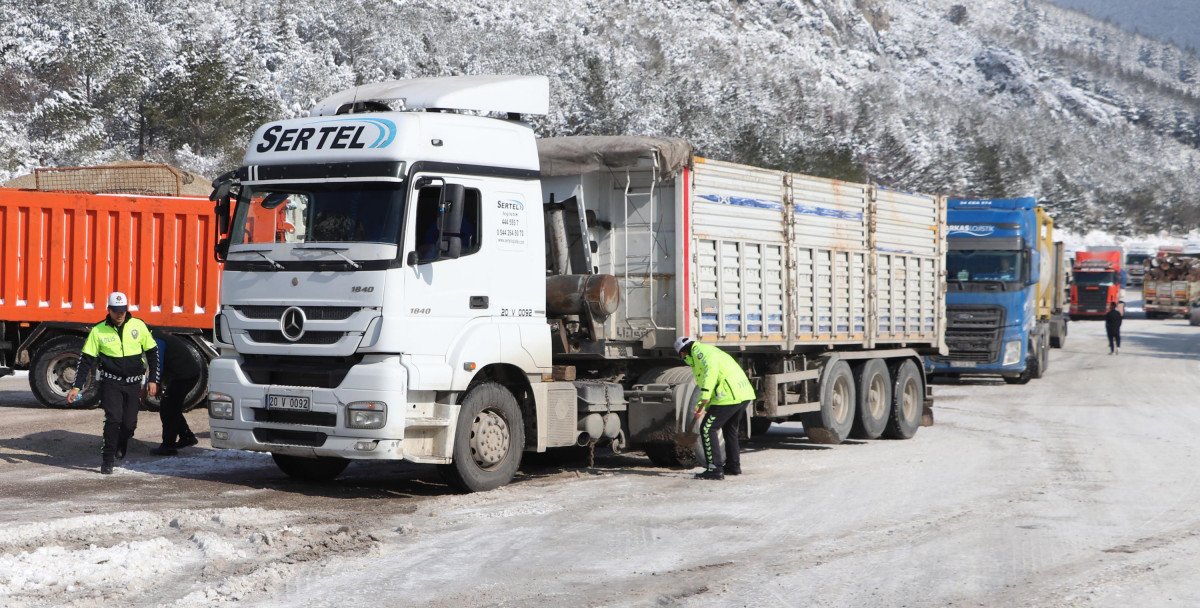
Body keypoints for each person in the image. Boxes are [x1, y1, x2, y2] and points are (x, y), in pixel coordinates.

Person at [67, 292, 159, 474]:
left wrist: (153, 380)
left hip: (133, 384)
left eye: (122, 310)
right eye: (116, 311)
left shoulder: (138, 325)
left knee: (129, 424)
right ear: (108, 310)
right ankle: (107, 459)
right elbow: (85, 360)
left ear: (127, 309)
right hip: (111, 383)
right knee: (113, 419)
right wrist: (76, 386)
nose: (119, 314)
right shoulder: (98, 330)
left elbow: (153, 352)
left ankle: (122, 442)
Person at [675, 337, 756, 480]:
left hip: (728, 395)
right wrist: (702, 407)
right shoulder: (707, 351)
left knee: (707, 428)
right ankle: (733, 466)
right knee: (730, 429)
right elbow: (714, 380)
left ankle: (715, 469)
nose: (683, 358)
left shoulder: (699, 352)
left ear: (683, 352)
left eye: (681, 355)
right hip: (742, 393)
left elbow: (710, 373)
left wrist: (704, 399)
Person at [149, 329, 201, 456]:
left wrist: (156, 382)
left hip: (184, 376)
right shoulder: (157, 335)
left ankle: (168, 446)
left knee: (168, 409)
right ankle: (186, 436)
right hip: (186, 374)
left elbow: (158, 364)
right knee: (172, 407)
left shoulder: (156, 340)